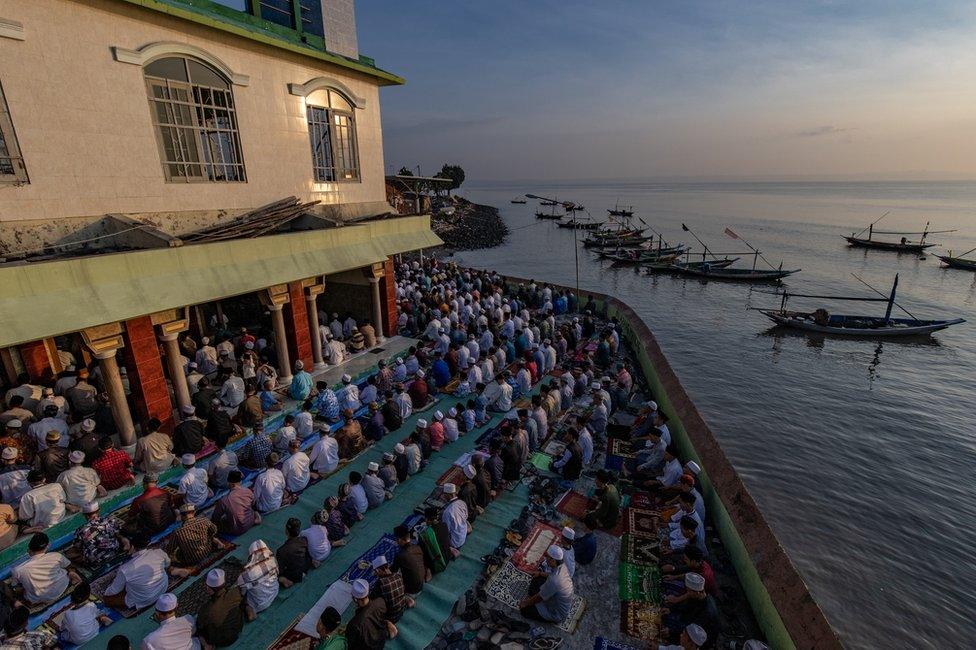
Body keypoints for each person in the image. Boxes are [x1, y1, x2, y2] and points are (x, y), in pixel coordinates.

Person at [103, 533, 173, 612]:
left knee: (107, 600)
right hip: (163, 588)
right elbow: (167, 564)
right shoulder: (158, 552)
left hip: (144, 600)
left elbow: (113, 591)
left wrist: (106, 593)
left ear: (132, 546)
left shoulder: (125, 569)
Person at [10, 533, 80, 605]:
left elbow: (15, 586)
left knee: (16, 590)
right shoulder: (56, 556)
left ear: (29, 550)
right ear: (47, 546)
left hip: (36, 598)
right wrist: (70, 572)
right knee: (66, 569)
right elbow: (69, 566)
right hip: (61, 587)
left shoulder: (17, 570)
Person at [518, 545, 575, 623]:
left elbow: (539, 597)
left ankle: (550, 619)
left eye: (547, 557)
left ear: (553, 560)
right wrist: (540, 573)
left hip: (556, 613)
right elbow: (551, 575)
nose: (545, 559)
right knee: (537, 579)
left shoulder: (554, 580)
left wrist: (525, 603)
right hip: (556, 598)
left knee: (524, 611)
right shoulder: (563, 566)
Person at [168, 504, 229, 569]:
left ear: (182, 516)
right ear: (194, 512)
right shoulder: (204, 521)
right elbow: (214, 530)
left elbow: (170, 549)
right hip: (207, 551)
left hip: (191, 560)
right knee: (211, 536)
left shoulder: (177, 532)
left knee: (177, 554)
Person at [195, 568, 245, 648]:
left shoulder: (206, 610)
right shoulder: (236, 592)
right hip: (237, 630)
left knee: (197, 629)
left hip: (222, 641)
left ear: (209, 589)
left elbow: (199, 626)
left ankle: (207, 645)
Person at [665, 573, 719, 647]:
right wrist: (671, 610)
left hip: (700, 640)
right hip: (691, 622)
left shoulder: (707, 612)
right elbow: (686, 606)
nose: (688, 594)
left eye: (689, 591)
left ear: (697, 592)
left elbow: (692, 629)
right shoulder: (697, 596)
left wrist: (671, 631)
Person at [345, 579, 397, 649]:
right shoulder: (380, 602)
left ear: (355, 599)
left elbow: (349, 645)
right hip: (380, 642)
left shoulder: (354, 624)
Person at [58, 580, 113, 645]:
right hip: (95, 633)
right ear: (87, 596)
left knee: (63, 635)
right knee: (97, 617)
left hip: (78, 641)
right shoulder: (91, 605)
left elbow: (62, 628)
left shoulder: (68, 614)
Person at [77, 501, 129, 568]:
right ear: (99, 510)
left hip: (96, 560)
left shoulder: (82, 530)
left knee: (73, 553)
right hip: (114, 551)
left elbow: (78, 546)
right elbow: (118, 532)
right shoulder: (111, 520)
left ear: (84, 515)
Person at [237, 540, 279, 621]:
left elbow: (242, 593)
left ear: (251, 554)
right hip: (274, 592)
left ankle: (249, 610)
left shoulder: (246, 574)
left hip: (259, 604)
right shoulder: (273, 560)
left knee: (238, 596)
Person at [212, 470, 259, 536]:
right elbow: (252, 504)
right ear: (240, 481)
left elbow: (215, 518)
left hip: (237, 529)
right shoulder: (248, 491)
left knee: (216, 524)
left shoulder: (224, 500)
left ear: (229, 483)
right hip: (251, 521)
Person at [370, 555, 413, 622]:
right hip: (401, 611)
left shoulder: (381, 583)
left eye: (376, 572)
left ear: (377, 570)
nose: (376, 574)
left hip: (390, 618)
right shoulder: (398, 575)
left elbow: (371, 598)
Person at [277, 518, 313, 588]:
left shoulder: (281, 551)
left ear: (286, 531)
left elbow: (279, 571)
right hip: (305, 569)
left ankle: (285, 580)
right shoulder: (304, 540)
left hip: (293, 576)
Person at [391, 524, 425, 595]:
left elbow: (392, 571)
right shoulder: (417, 547)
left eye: (396, 539)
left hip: (411, 589)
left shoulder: (400, 555)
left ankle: (406, 597)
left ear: (399, 540)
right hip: (422, 582)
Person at [440, 483, 470, 557]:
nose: (443, 496)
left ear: (448, 494)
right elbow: (466, 517)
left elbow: (446, 532)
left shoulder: (447, 512)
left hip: (455, 542)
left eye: (444, 494)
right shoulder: (462, 503)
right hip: (463, 534)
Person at [419, 506, 450, 576]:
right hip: (448, 557)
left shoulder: (424, 535)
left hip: (437, 565)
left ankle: (428, 570)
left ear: (427, 519)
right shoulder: (444, 525)